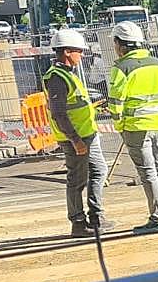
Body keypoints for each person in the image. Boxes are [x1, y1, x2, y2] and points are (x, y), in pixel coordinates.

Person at [107, 21, 158, 234]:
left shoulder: (121, 68)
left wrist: (120, 125)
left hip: (136, 127)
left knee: (147, 172)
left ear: (120, 44)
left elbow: (115, 102)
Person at [43, 28, 109, 237]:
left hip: (87, 134)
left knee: (99, 171)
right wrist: (75, 140)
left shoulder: (68, 74)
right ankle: (78, 223)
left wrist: (95, 107)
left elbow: (75, 105)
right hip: (76, 139)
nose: (82, 56)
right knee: (77, 180)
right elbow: (59, 114)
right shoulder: (57, 78)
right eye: (79, 52)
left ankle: (96, 216)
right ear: (67, 52)